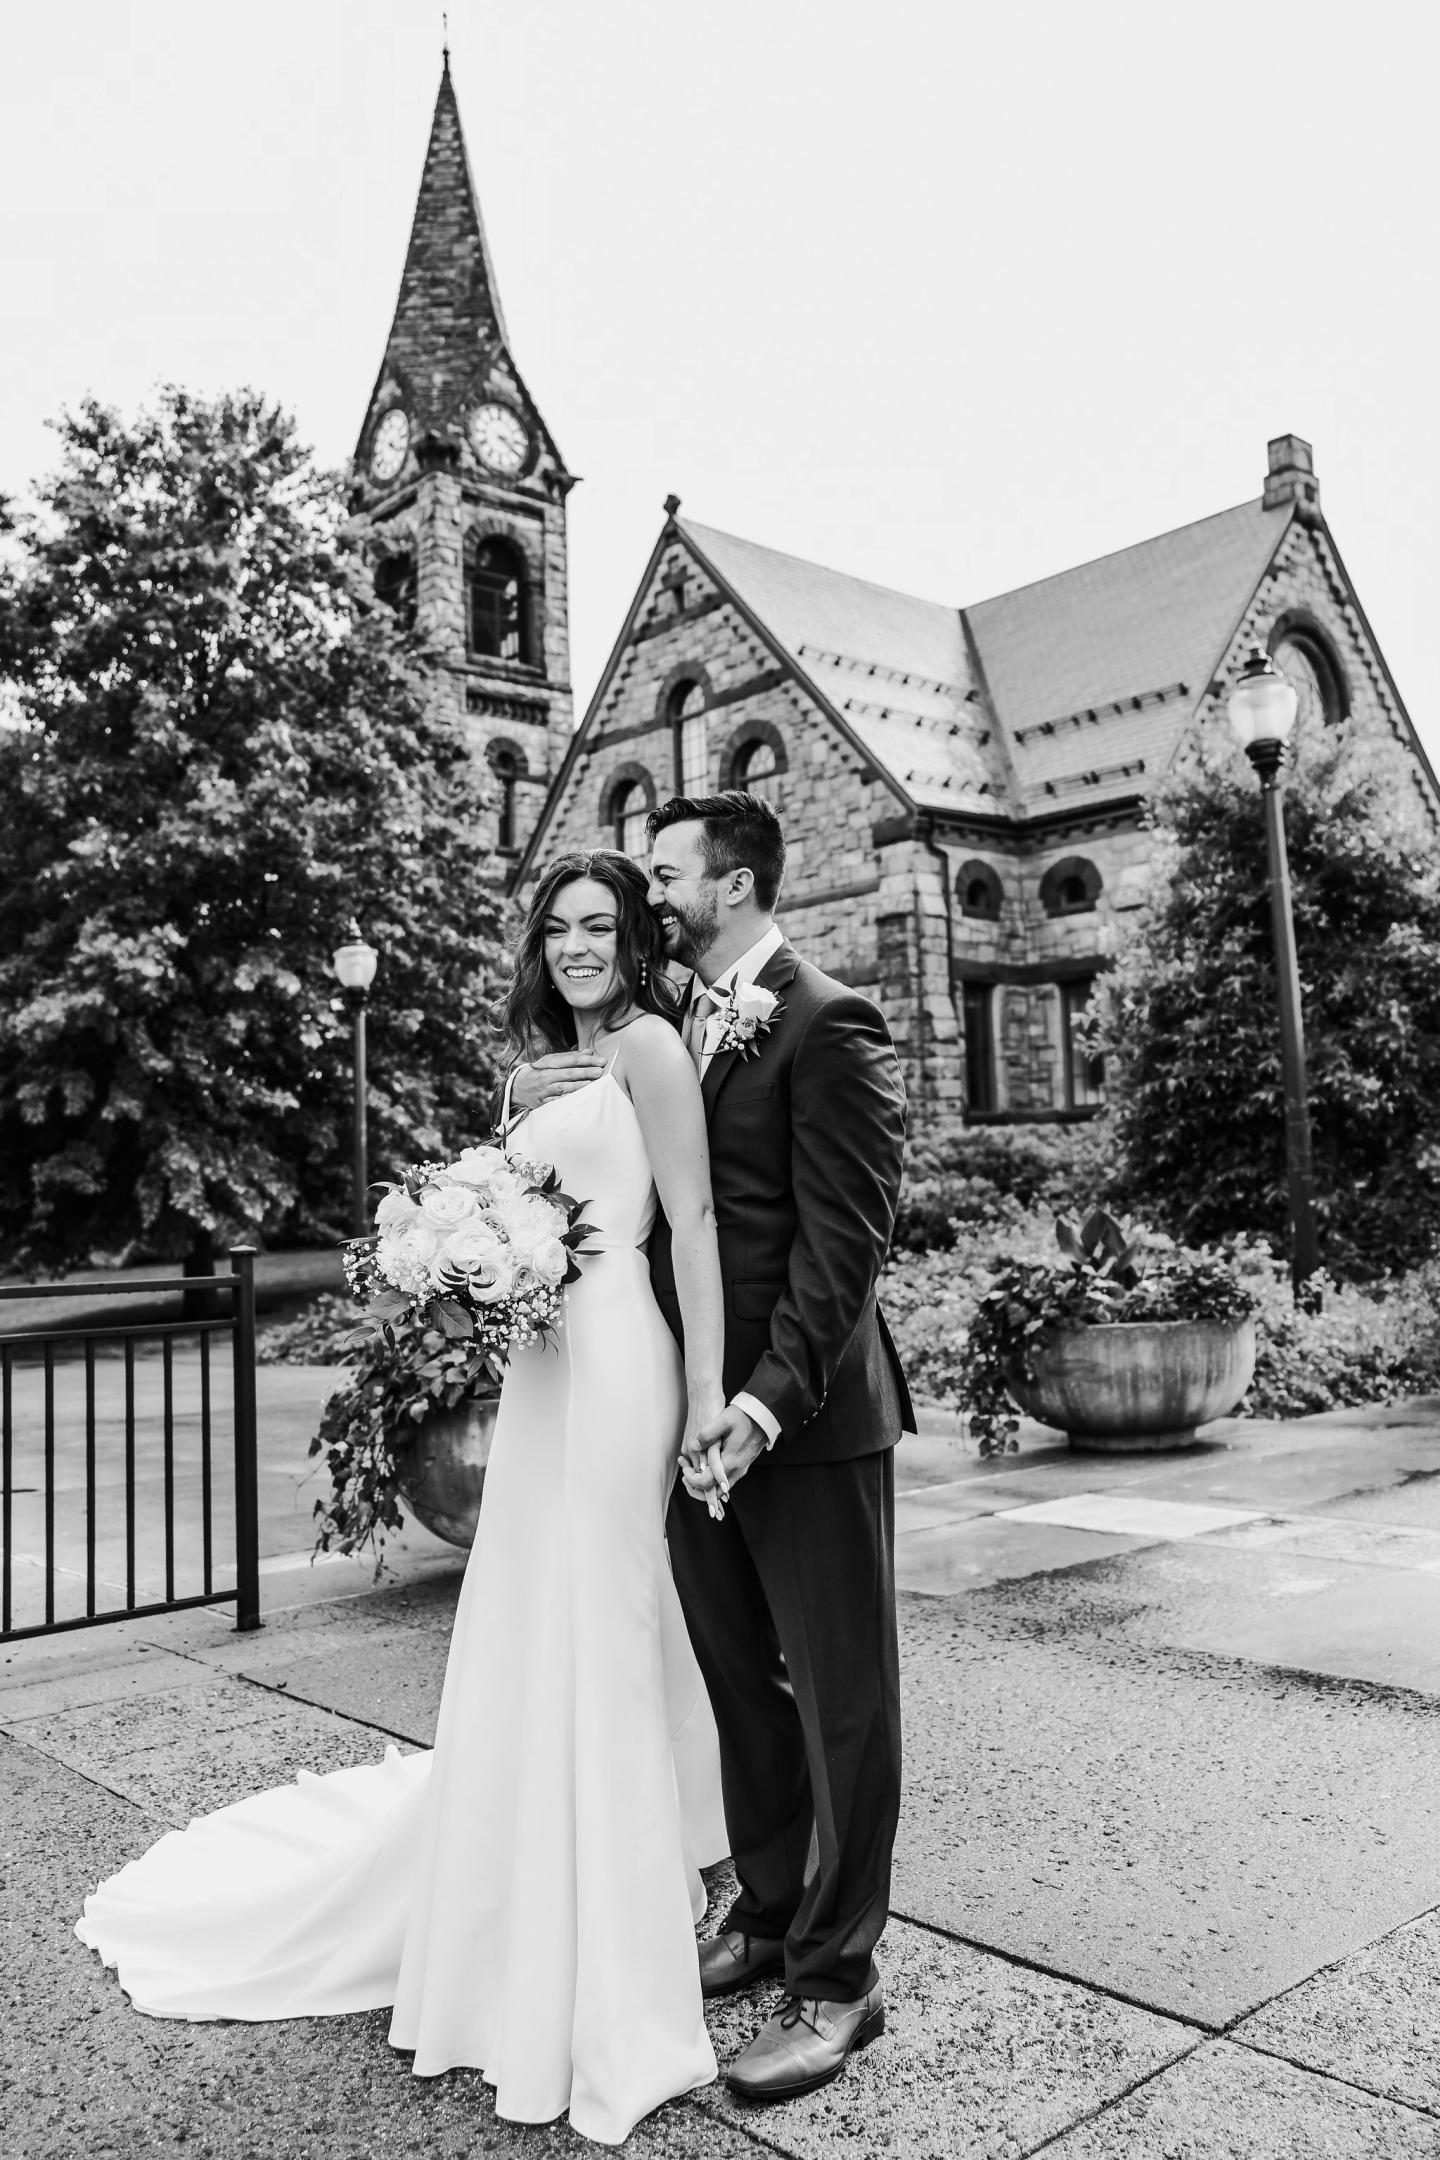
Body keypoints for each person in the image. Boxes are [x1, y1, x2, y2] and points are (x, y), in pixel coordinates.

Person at [76, 851, 732, 2149]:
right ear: (540, 945)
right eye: (560, 928)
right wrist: (482, 1234)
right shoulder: (538, 1068)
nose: (580, 946)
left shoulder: (655, 1049)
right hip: (543, 1369)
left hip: (620, 1370)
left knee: (614, 1613)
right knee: (535, 1611)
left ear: (636, 940)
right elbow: (518, 1195)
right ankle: (544, 1877)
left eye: (601, 927)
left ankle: (647, 1892)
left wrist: (710, 1393)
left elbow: (695, 1220)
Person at [511, 791, 912, 2105]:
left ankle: (842, 1983)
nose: (651, 894)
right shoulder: (674, 1020)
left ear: (731, 887)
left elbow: (842, 1246)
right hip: (681, 1414)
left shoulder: (828, 1019)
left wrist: (755, 1408)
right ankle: (772, 1909)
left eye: (667, 874)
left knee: (843, 1697)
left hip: (801, 1424)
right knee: (745, 1685)